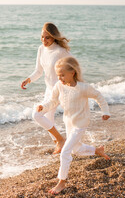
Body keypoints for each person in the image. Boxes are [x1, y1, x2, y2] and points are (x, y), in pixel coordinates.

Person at [34, 56, 111, 195]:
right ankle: (97, 150)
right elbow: (53, 102)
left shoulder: (83, 88)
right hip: (68, 122)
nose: (60, 78)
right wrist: (43, 107)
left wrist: (105, 111)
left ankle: (61, 182)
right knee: (76, 149)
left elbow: (99, 96)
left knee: (65, 151)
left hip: (80, 124)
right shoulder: (59, 86)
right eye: (58, 75)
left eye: (62, 75)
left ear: (73, 73)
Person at [21, 23, 71, 154]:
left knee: (37, 115)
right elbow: (38, 71)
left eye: (47, 38)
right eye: (42, 37)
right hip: (48, 89)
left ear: (54, 37)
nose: (44, 40)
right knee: (48, 121)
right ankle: (60, 144)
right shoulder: (41, 49)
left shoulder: (60, 51)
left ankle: (60, 140)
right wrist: (28, 79)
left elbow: (73, 68)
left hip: (59, 91)